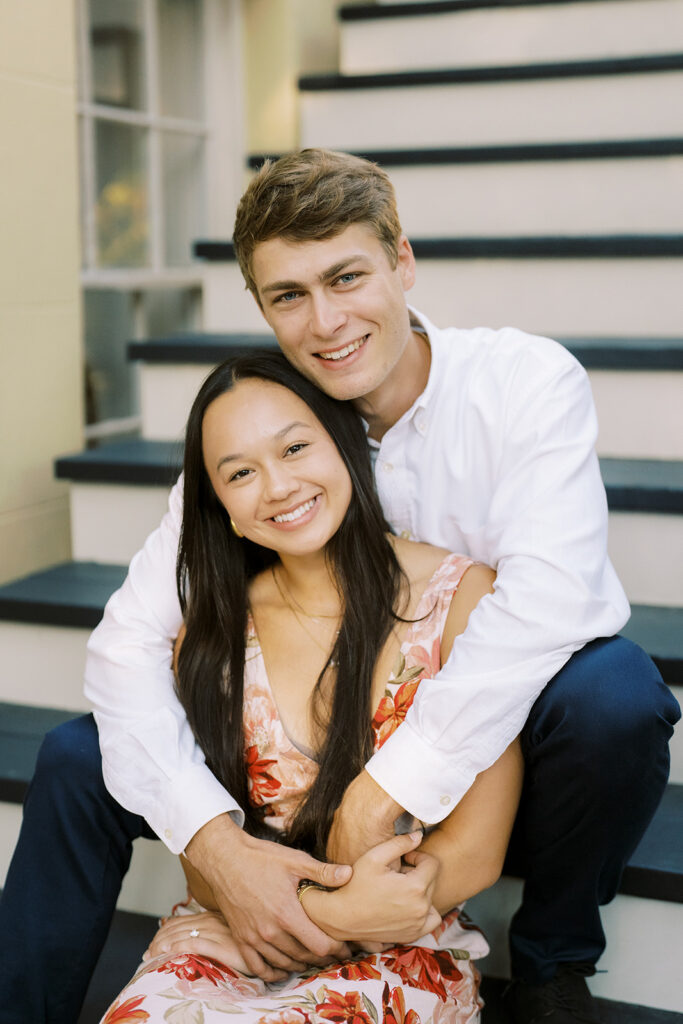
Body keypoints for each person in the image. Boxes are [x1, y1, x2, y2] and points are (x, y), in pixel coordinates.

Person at [0, 150, 678, 1024]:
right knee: (75, 755)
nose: (325, 322)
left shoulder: (521, 383)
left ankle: (552, 960)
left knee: (613, 696)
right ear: (261, 307)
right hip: (295, 723)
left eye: (346, 277)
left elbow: (550, 604)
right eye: (288, 295)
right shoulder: (267, 420)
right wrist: (217, 845)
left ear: (402, 261)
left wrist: (386, 787)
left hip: (473, 715)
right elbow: (128, 639)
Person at [98, 349, 522, 1022]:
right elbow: (207, 866)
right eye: (240, 473)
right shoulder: (210, 635)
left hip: (398, 944)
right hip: (235, 932)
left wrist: (321, 920)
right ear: (222, 508)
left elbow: (475, 853)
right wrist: (284, 922)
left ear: (346, 446)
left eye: (294, 448)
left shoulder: (462, 599)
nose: (277, 486)